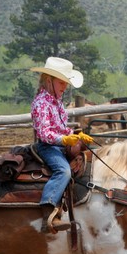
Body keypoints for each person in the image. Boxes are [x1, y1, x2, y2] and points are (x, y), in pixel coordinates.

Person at [30, 57, 94, 233]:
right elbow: (44, 133)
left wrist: (74, 135)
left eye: (66, 83)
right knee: (63, 171)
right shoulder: (41, 103)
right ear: (48, 80)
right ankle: (48, 211)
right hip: (47, 147)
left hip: (58, 145)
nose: (64, 87)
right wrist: (64, 140)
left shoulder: (56, 102)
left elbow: (62, 128)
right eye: (61, 82)